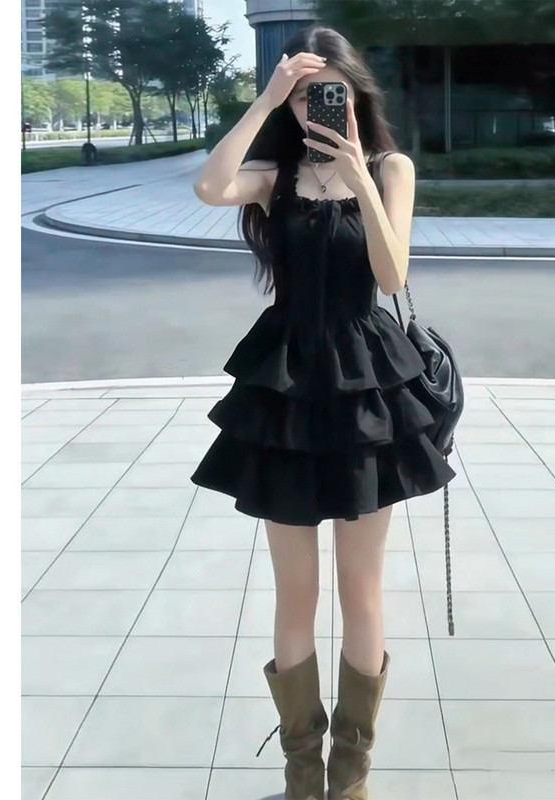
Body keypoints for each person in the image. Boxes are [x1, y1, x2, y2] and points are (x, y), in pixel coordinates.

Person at [190, 24, 456, 800]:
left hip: (368, 387)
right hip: (284, 390)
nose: (315, 106)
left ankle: (351, 778)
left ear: (353, 91)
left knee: (360, 591)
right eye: (303, 96)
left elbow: (391, 273)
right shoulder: (276, 175)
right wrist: (263, 100)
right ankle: (305, 777)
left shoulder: (392, 167)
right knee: (295, 594)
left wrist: (361, 177)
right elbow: (209, 187)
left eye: (325, 92)